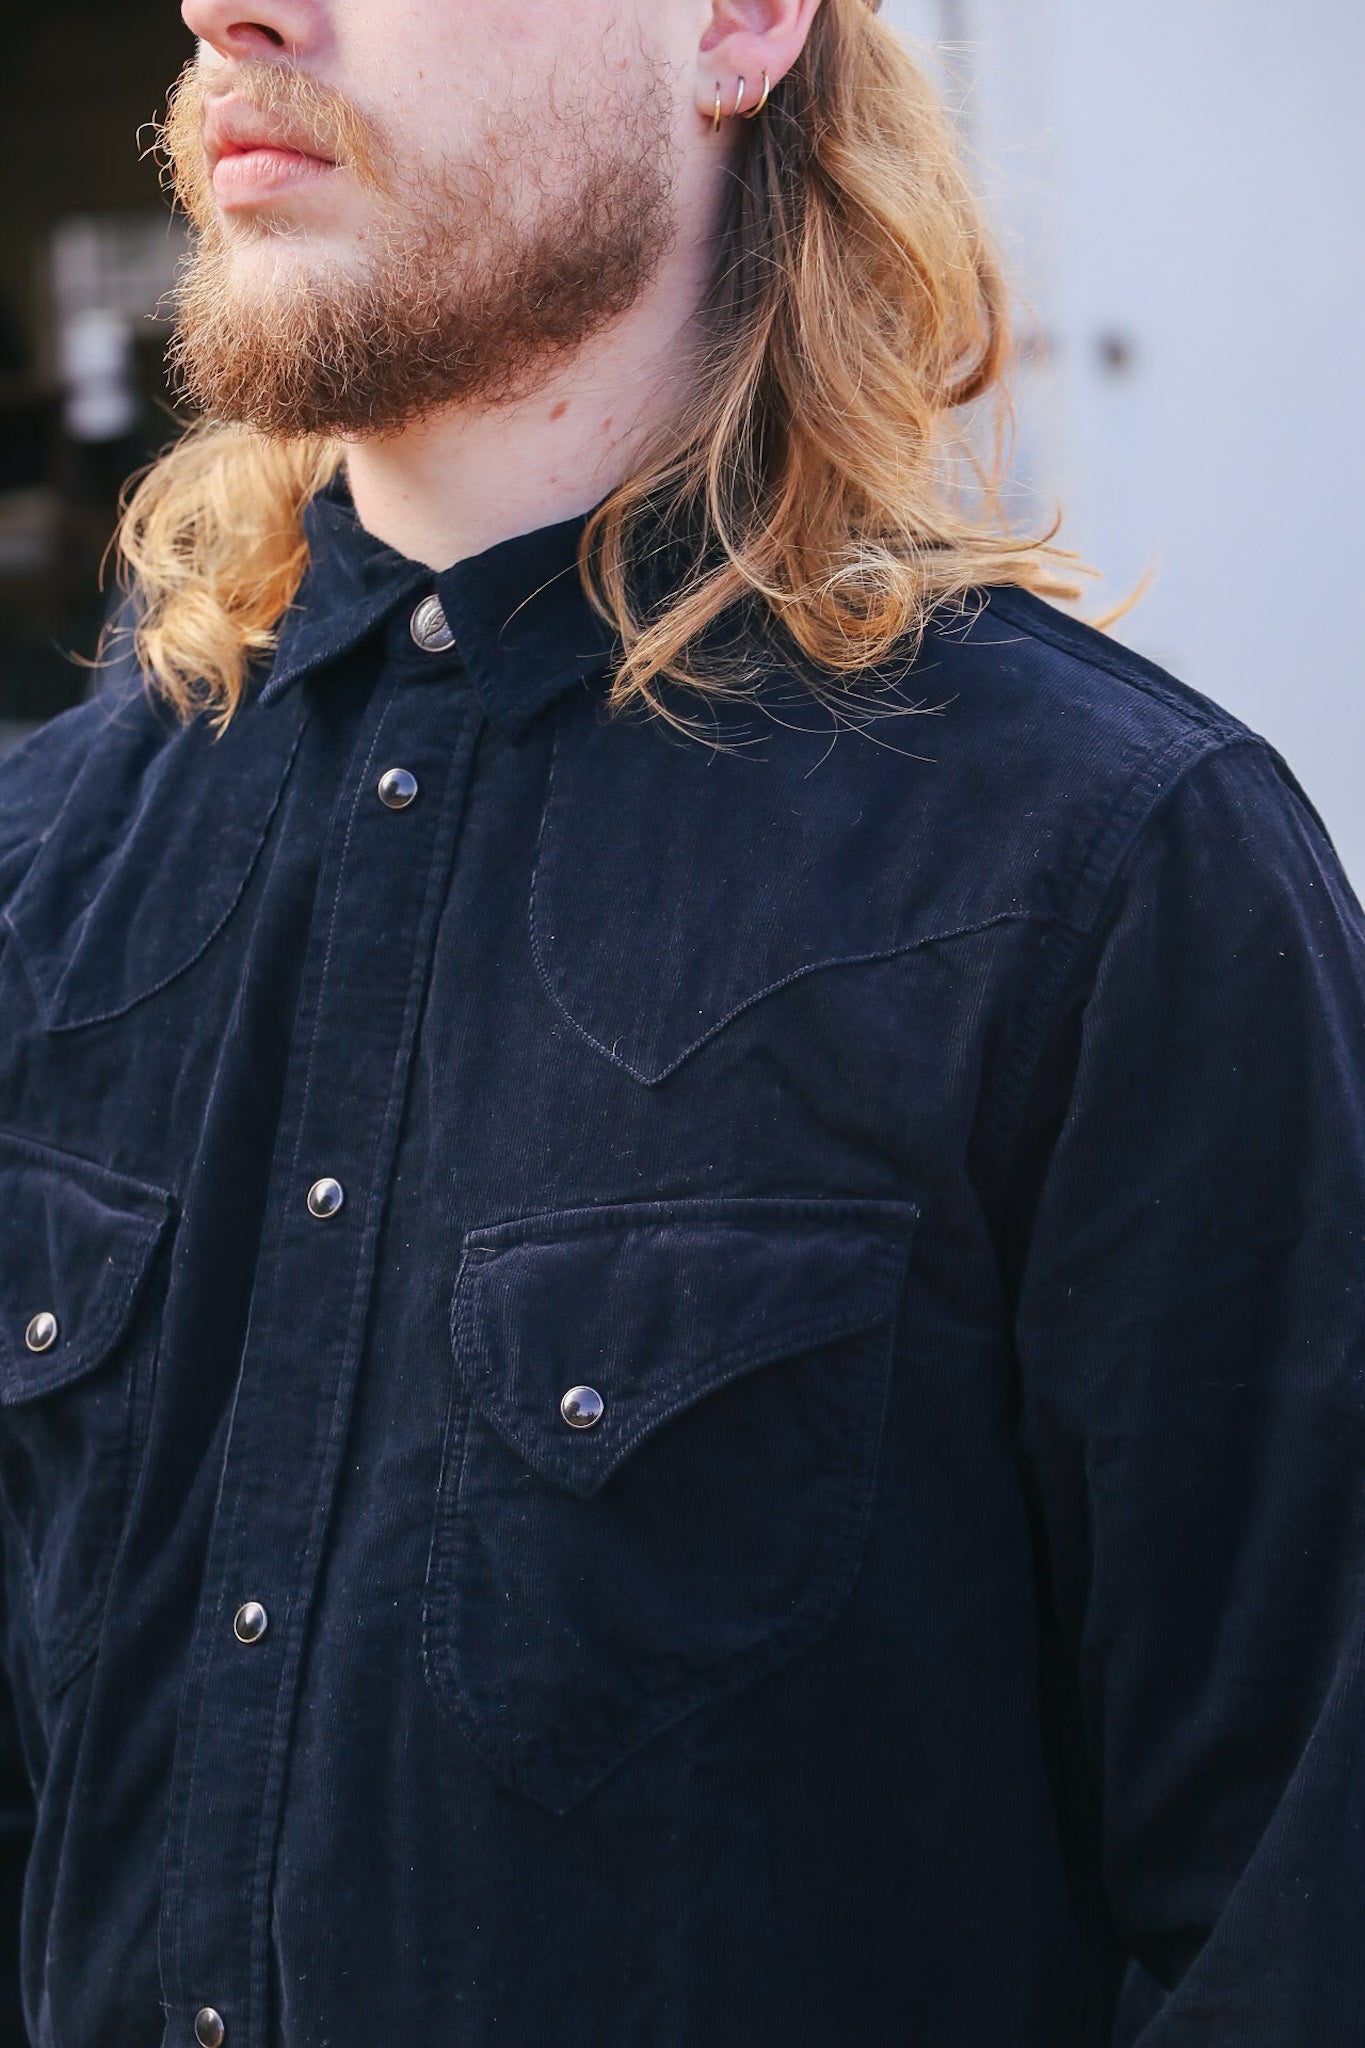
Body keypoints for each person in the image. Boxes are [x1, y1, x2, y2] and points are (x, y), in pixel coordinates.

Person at [0, 0, 1362, 2041]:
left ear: (733, 25)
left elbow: (1290, 1911)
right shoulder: (42, 873)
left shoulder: (1104, 874)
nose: (229, 10)